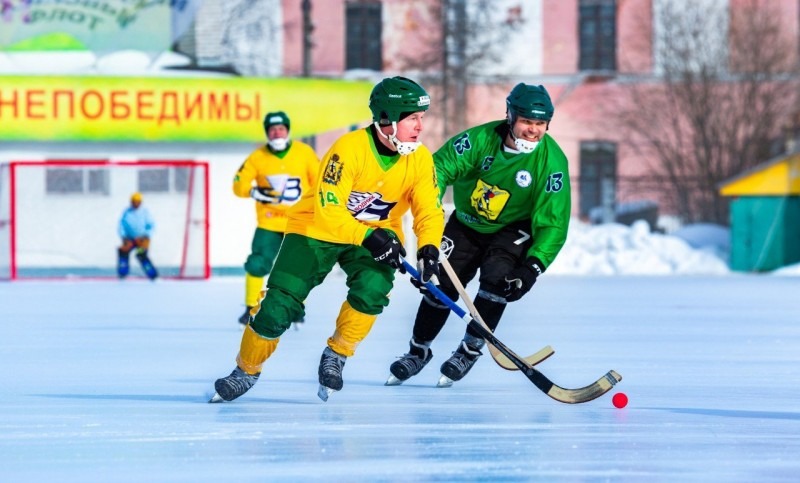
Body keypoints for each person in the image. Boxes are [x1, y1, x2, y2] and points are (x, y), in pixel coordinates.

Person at [210, 76, 444, 403]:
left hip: (376, 234)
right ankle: (246, 370)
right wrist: (370, 237)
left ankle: (337, 355)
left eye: (422, 117)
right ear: (388, 120)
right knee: (278, 306)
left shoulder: (420, 160)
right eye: (412, 118)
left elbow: (428, 212)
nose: (421, 126)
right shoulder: (348, 149)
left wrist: (429, 249)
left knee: (373, 289)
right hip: (316, 228)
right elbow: (329, 209)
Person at [387, 83, 571, 387]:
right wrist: (430, 213)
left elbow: (554, 222)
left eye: (540, 124)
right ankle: (417, 352)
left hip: (513, 228)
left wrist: (532, 268)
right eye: (527, 122)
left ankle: (469, 350)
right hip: (467, 223)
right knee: (440, 286)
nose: (533, 131)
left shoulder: (552, 163)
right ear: (510, 117)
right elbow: (437, 171)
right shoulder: (478, 140)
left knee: (498, 281)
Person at [233, 111, 320, 326]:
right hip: (269, 222)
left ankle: (296, 308)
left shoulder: (304, 152)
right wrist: (253, 192)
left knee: (298, 268)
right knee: (257, 263)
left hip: (298, 222)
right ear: (267, 132)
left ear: (288, 130)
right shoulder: (258, 156)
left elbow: (321, 181)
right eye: (272, 129)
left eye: (281, 128)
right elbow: (238, 184)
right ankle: (250, 307)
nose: (277, 132)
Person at [117, 192, 158, 280]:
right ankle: (122, 273)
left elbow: (151, 225)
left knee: (141, 254)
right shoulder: (127, 212)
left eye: (137, 201)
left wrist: (146, 235)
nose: (135, 203)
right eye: (134, 201)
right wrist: (123, 236)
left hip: (142, 239)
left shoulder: (145, 212)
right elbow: (121, 225)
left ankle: (153, 275)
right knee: (123, 251)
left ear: (140, 202)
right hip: (129, 239)